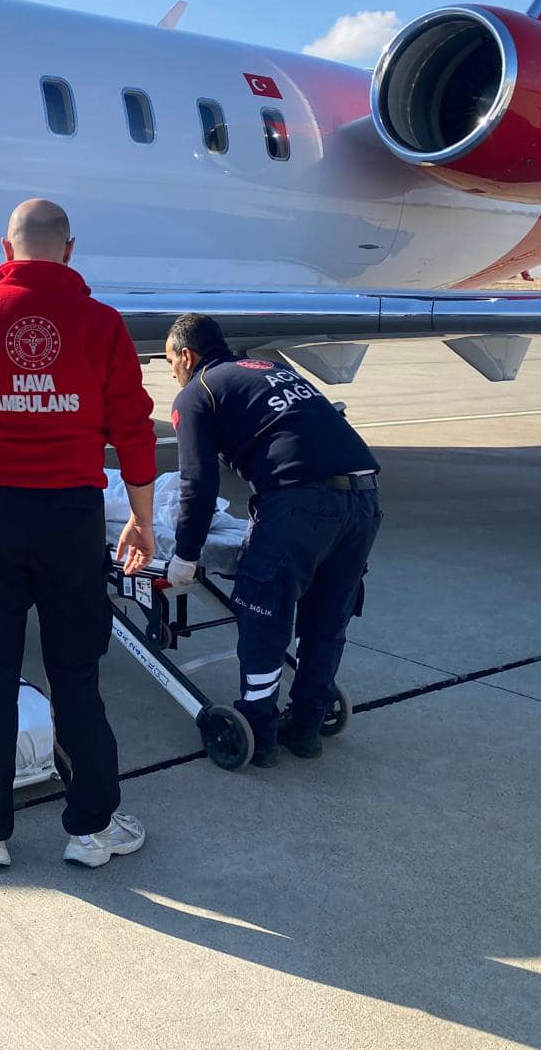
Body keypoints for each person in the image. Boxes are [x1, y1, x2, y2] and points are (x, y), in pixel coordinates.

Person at [0, 198, 157, 869]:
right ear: (69, 250)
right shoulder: (102, 325)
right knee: (76, 670)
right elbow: (133, 430)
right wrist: (141, 517)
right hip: (71, 515)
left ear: (6, 250)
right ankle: (91, 830)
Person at [163, 314, 382, 766]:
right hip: (363, 500)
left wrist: (185, 554)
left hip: (300, 503)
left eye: (169, 361)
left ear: (187, 355)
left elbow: (198, 483)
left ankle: (259, 734)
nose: (171, 372)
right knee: (326, 619)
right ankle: (306, 728)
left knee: (264, 613)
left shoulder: (197, 393)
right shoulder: (273, 370)